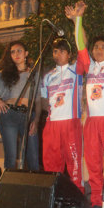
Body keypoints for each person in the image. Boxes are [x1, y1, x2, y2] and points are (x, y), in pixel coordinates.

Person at [65, 0, 104, 208]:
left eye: (102, 47)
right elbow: (80, 44)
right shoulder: (89, 66)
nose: (99, 49)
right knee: (93, 167)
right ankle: (96, 203)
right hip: (90, 123)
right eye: (96, 47)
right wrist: (78, 18)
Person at [0, 41, 40, 171]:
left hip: (28, 115)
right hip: (9, 114)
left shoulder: (34, 74)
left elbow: (39, 100)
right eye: (12, 52)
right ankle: (8, 188)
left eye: (19, 50)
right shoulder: (4, 73)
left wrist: (36, 120)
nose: (16, 54)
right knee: (11, 157)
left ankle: (34, 188)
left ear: (26, 53)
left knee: (33, 157)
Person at [40, 37, 85, 193]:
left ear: (69, 54)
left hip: (71, 123)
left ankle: (77, 198)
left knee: (74, 165)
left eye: (62, 51)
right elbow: (44, 102)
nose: (58, 54)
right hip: (52, 124)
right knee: (51, 165)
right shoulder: (47, 76)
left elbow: (83, 48)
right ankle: (53, 197)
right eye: (55, 51)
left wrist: (76, 20)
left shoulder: (75, 70)